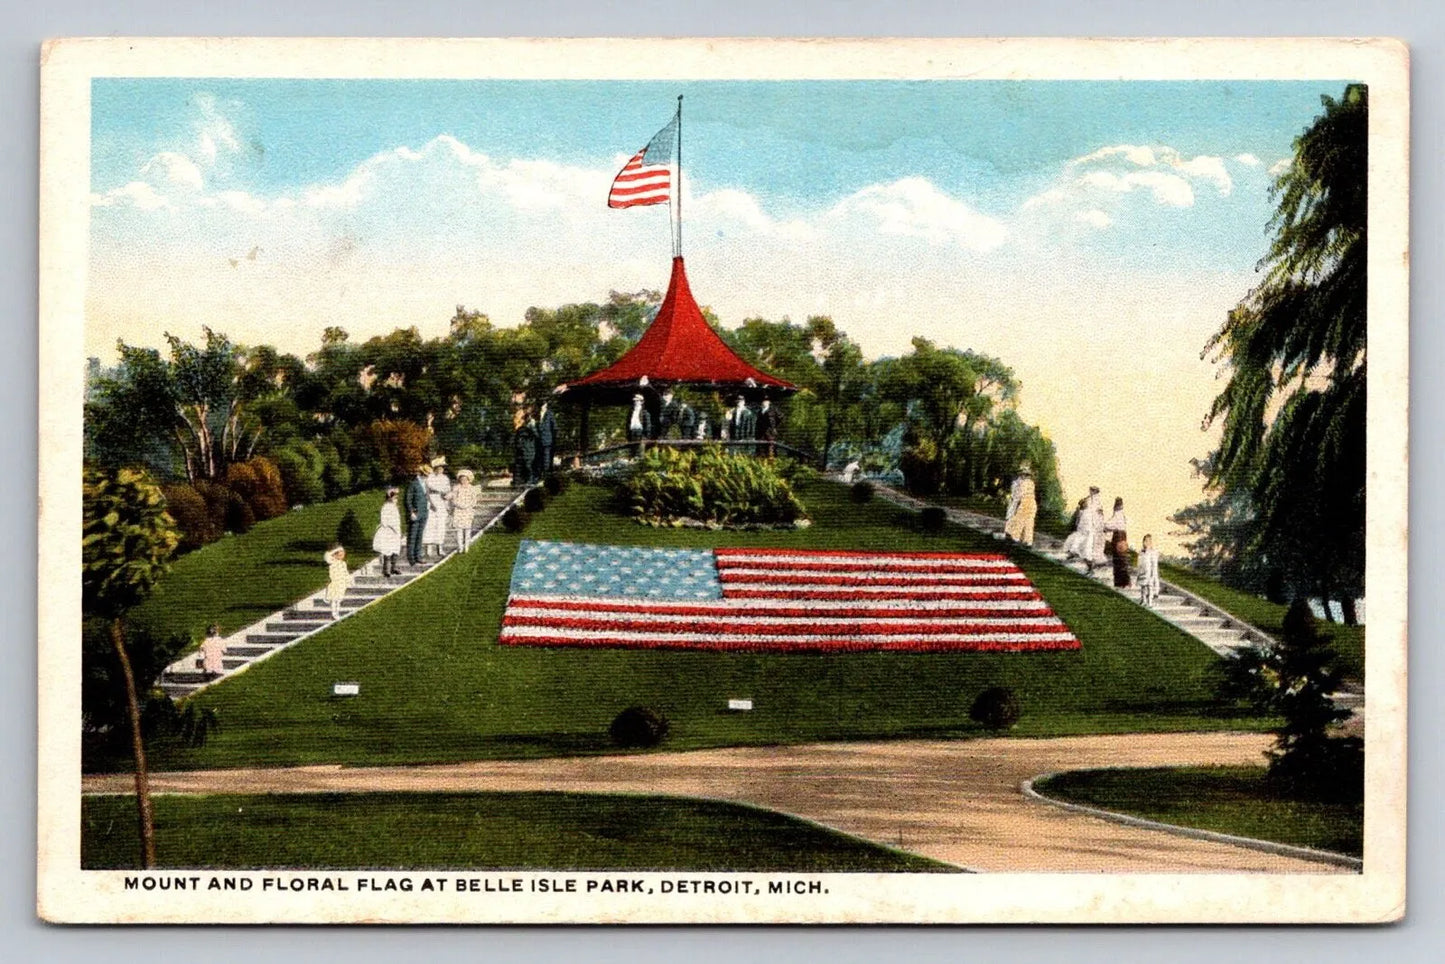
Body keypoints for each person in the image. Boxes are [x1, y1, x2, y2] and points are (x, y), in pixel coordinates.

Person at [423, 456, 451, 558]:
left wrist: (447, 500)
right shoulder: (430, 478)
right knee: (430, 525)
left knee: (441, 526)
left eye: (442, 467)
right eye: (439, 467)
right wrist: (431, 503)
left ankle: (440, 548)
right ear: (435, 468)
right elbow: (427, 492)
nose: (441, 469)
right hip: (432, 501)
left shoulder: (445, 478)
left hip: (442, 501)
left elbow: (447, 490)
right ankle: (428, 549)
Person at [1002, 466, 1037, 547]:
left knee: (1020, 519)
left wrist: (1014, 501)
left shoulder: (1023, 483)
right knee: (1029, 522)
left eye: (1024, 475)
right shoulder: (1031, 483)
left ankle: (1016, 538)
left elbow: (1019, 495)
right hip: (1032, 503)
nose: (1023, 476)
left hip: (1025, 502)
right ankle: (1028, 541)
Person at [372, 487, 403, 578]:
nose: (396, 500)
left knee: (395, 550)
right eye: (394, 498)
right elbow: (385, 520)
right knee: (388, 551)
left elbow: (397, 520)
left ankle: (393, 567)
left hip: (395, 531)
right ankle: (386, 570)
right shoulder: (386, 507)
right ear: (390, 498)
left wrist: (397, 529)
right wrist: (392, 527)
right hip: (388, 531)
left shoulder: (394, 507)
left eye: (396, 498)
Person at [405, 463, 430, 566]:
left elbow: (426, 497)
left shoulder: (425, 484)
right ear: (421, 474)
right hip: (415, 513)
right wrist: (411, 512)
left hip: (424, 512)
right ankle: (411, 558)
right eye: (426, 474)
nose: (427, 476)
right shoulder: (413, 484)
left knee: (420, 536)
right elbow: (408, 499)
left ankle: (418, 556)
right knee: (412, 536)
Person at [450, 469, 480, 552]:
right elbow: (453, 499)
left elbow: (474, 500)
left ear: (468, 479)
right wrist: (459, 505)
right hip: (459, 510)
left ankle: (466, 546)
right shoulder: (456, 488)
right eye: (462, 479)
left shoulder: (472, 488)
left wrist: (468, 505)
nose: (463, 481)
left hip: (468, 510)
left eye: (465, 479)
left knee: (467, 529)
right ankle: (460, 547)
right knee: (459, 529)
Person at [1104, 497, 1130, 588]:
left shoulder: (1117, 515)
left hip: (1118, 537)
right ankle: (1125, 581)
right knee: (1123, 559)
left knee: (1118, 560)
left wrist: (1104, 527)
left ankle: (1120, 582)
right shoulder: (1123, 515)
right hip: (1123, 537)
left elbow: (1109, 524)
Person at [323, 545, 351, 620]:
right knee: (334, 600)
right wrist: (334, 551)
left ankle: (337, 612)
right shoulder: (333, 562)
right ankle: (334, 614)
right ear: (335, 555)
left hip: (341, 584)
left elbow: (346, 573)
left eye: (343, 554)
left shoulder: (343, 564)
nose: (342, 556)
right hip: (335, 584)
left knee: (338, 600)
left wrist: (348, 580)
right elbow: (327, 556)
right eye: (339, 554)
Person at [512, 410, 538, 485]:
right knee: (519, 466)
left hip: (528, 451)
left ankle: (530, 481)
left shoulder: (528, 428)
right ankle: (518, 481)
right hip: (520, 451)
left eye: (517, 417)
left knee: (528, 466)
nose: (515, 419)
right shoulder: (519, 430)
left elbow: (535, 436)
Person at [1137, 533, 1161, 607]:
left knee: (1149, 587)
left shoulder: (1152, 552)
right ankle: (1143, 600)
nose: (1146, 543)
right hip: (1142, 571)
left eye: (1148, 541)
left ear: (1150, 542)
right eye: (1145, 541)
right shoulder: (1141, 552)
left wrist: (1153, 573)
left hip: (1149, 572)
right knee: (1143, 587)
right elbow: (1139, 562)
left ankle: (1150, 602)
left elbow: (1154, 564)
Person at [534, 403, 557, 480]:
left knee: (547, 459)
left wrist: (553, 439)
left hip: (547, 440)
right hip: (538, 441)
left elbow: (554, 427)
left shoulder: (550, 414)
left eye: (543, 404)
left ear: (546, 405)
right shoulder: (537, 414)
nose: (541, 406)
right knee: (540, 459)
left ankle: (546, 476)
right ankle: (540, 475)